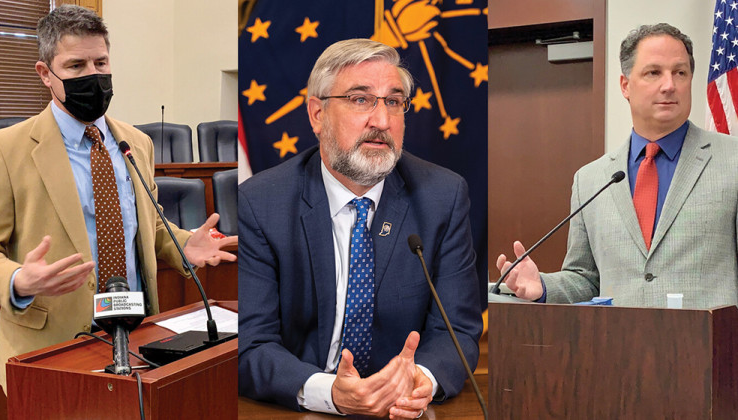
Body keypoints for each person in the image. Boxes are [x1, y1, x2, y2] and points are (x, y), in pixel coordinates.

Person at [0, 5, 237, 392]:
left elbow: (145, 224)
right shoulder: (4, 150)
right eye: (76, 66)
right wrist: (19, 280)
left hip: (137, 338)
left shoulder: (134, 143)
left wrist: (184, 243)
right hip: (49, 348)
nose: (93, 75)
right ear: (45, 74)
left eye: (101, 62)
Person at [238, 38, 482, 418]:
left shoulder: (443, 197)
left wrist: (421, 379)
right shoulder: (262, 201)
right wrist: (331, 392)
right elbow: (251, 345)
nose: (382, 121)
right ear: (317, 114)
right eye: (360, 99)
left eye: (394, 102)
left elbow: (458, 332)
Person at [497, 23, 738, 309]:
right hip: (618, 349)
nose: (669, 85)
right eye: (653, 72)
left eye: (680, 73)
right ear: (625, 85)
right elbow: (585, 279)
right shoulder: (591, 179)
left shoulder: (731, 160)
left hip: (712, 349)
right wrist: (543, 287)